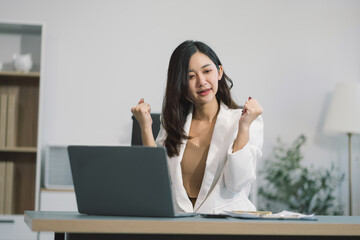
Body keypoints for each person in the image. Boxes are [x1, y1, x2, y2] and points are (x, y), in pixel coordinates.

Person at [131, 40, 263, 214]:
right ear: (180, 82)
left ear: (219, 72)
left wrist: (244, 127)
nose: (201, 82)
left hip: (227, 227)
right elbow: (154, 183)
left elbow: (237, 183)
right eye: (190, 76)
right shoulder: (173, 122)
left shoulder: (245, 120)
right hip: (179, 226)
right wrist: (145, 128)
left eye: (207, 71)